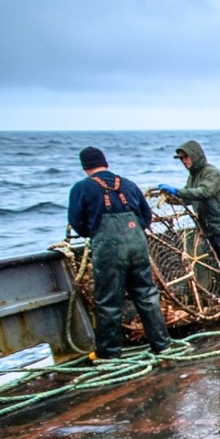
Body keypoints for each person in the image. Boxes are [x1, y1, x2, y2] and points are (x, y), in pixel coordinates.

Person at [68, 146, 172, 359]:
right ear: (105, 163)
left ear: (85, 166)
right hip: (137, 245)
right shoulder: (128, 184)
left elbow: (76, 221)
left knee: (108, 300)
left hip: (108, 250)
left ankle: (110, 353)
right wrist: (133, 230)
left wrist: (94, 233)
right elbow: (146, 214)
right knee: (147, 295)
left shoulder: (82, 188)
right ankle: (162, 345)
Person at [158, 141, 220, 317]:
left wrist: (177, 191)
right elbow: (189, 197)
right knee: (217, 268)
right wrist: (171, 197)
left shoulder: (212, 173)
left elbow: (203, 192)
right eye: (182, 159)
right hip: (208, 229)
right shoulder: (192, 177)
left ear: (195, 156)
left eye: (186, 158)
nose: (185, 162)